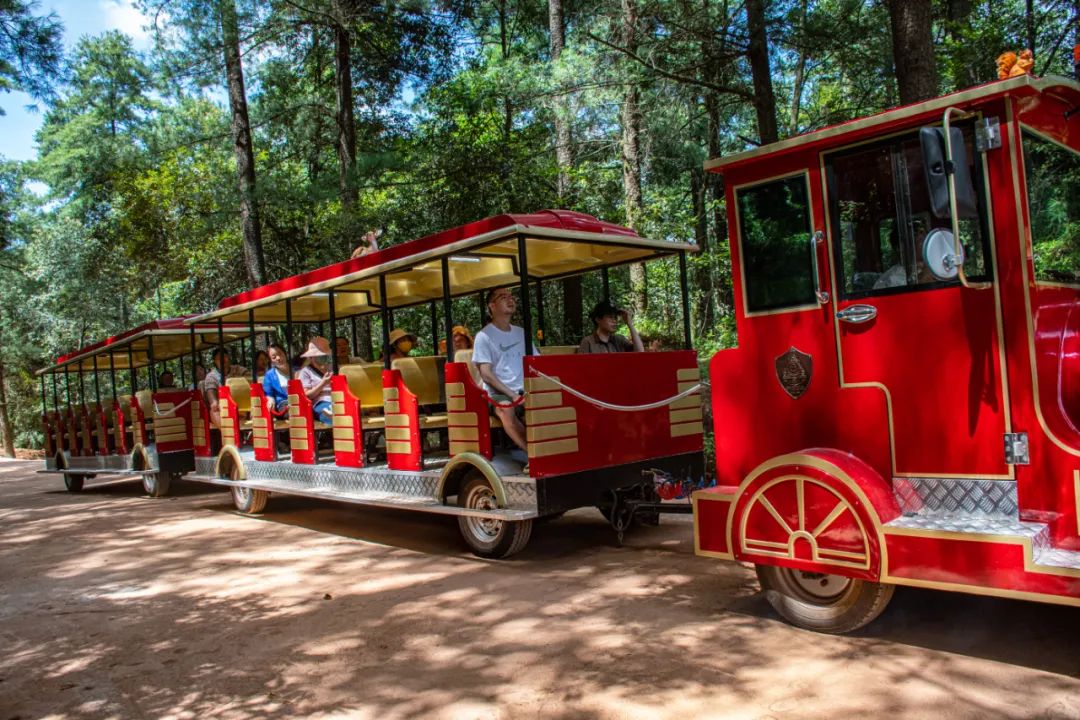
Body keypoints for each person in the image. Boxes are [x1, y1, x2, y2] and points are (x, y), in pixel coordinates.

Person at [472, 287, 537, 453]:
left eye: (511, 296)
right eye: (503, 297)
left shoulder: (521, 333)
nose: (510, 300)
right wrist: (513, 395)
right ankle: (532, 454)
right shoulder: (483, 336)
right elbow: (486, 374)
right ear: (492, 306)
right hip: (496, 393)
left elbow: (537, 363)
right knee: (506, 408)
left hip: (524, 390)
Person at [578, 300, 644, 354]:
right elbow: (581, 367)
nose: (614, 321)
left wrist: (630, 324)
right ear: (598, 319)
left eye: (615, 317)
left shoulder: (619, 340)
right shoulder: (588, 342)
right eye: (610, 317)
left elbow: (640, 352)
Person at [298, 336, 334, 425]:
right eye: (319, 356)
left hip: (337, 400)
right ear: (311, 357)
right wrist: (323, 383)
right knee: (333, 420)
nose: (322, 358)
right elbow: (307, 396)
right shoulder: (305, 372)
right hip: (320, 403)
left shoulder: (333, 367)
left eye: (324, 355)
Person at [262, 344, 291, 416]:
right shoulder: (269, 375)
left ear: (285, 353)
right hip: (283, 403)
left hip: (300, 401)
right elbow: (268, 393)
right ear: (270, 360)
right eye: (274, 357)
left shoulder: (296, 369)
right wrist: (270, 400)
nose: (278, 358)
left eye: (280, 354)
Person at [203, 349, 230, 427]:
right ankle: (227, 432)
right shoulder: (211, 376)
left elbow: (249, 379)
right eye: (219, 359)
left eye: (224, 357)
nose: (222, 360)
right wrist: (214, 402)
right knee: (214, 409)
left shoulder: (239, 370)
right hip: (223, 407)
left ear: (228, 358)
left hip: (242, 405)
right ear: (215, 361)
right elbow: (210, 392)